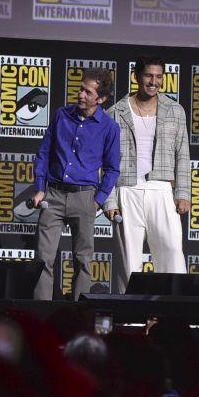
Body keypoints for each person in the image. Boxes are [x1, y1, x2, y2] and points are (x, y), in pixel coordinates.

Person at [31, 68, 120, 301]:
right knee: (43, 258)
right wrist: (40, 187)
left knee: (83, 260)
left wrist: (97, 201)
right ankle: (41, 314)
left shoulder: (109, 127)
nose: (81, 94)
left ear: (100, 99)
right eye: (81, 89)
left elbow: (112, 169)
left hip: (85, 198)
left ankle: (79, 316)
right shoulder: (61, 115)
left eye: (87, 92)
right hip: (53, 194)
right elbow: (44, 153)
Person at [104, 55, 191, 293]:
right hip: (127, 190)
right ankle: (129, 320)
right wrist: (110, 200)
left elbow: (183, 154)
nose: (153, 82)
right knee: (129, 262)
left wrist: (183, 193)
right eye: (148, 76)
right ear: (137, 77)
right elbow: (107, 160)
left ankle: (175, 316)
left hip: (162, 190)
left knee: (172, 253)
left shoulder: (175, 110)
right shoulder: (115, 112)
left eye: (158, 77)